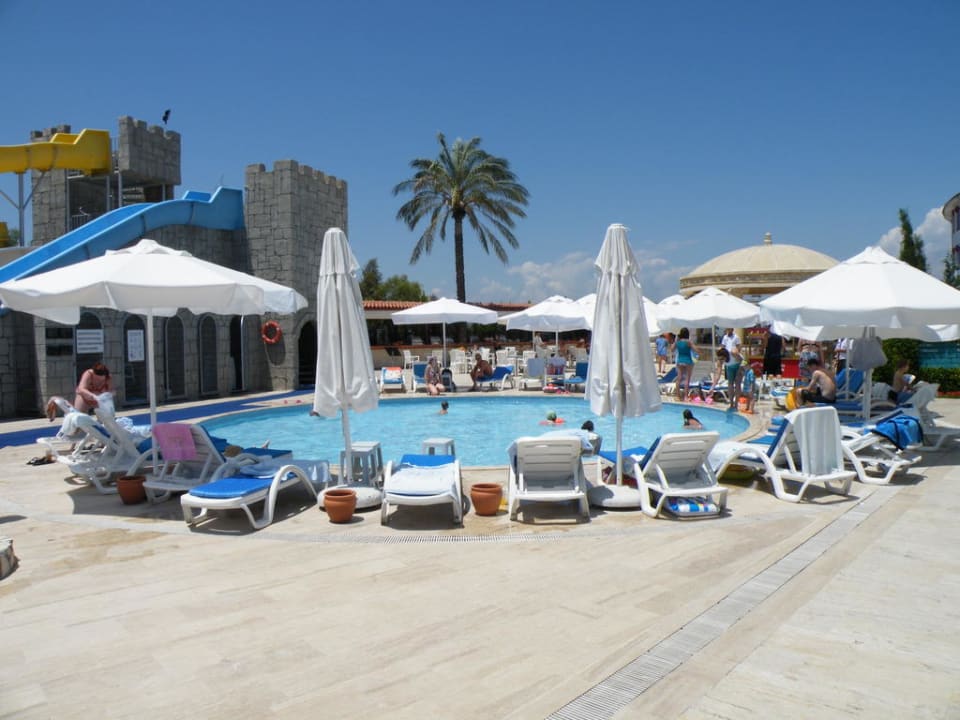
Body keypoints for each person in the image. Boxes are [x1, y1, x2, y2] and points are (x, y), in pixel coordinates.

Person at [674, 328, 699, 401]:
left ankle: (678, 396)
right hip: (688, 361)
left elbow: (672, 349)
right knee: (687, 379)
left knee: (679, 378)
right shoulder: (688, 342)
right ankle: (685, 397)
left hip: (680, 361)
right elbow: (696, 350)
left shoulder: (677, 342)